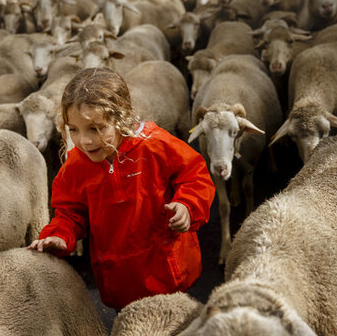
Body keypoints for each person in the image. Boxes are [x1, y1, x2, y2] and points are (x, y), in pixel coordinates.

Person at [27, 68, 216, 310]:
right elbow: (69, 212)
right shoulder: (76, 166)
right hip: (120, 281)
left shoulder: (155, 146)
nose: (84, 141)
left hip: (168, 273)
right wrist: (59, 235)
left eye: (95, 128)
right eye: (74, 129)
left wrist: (187, 206)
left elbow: (195, 176)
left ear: (121, 117)